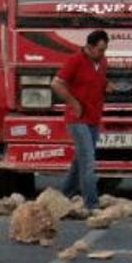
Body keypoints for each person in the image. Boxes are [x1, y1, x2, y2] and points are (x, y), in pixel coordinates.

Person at [51, 29, 112, 211]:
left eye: (104, 50)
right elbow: (56, 83)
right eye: (100, 50)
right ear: (89, 47)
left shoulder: (101, 62)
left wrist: (107, 86)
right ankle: (91, 204)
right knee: (88, 161)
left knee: (80, 160)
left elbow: (99, 82)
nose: (102, 54)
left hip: (93, 117)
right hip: (78, 119)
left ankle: (64, 195)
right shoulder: (75, 61)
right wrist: (73, 103)